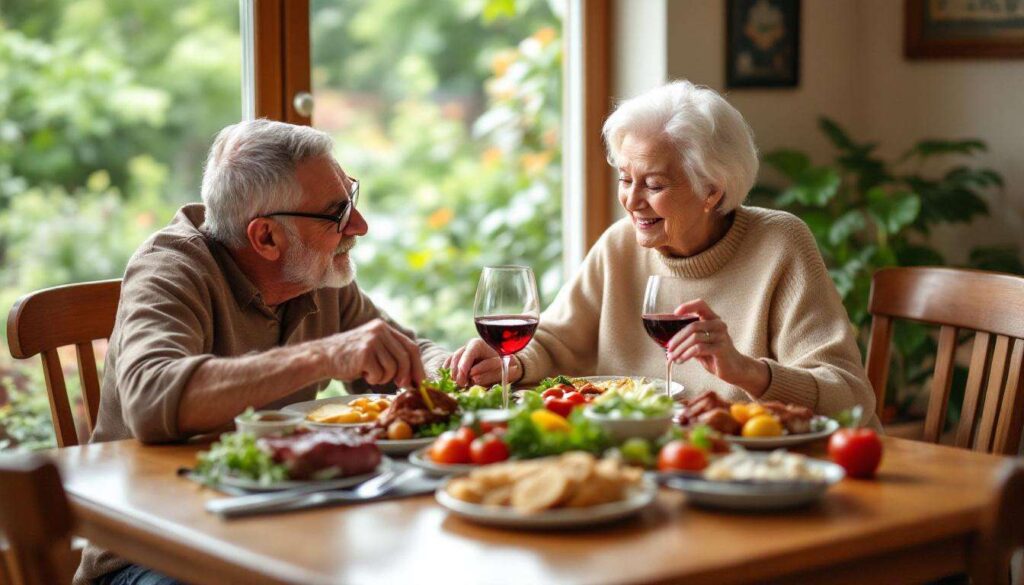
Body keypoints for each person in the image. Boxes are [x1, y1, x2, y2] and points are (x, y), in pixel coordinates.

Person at [78, 119, 447, 585]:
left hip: (276, 526)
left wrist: (451, 368)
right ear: (266, 237)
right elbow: (152, 400)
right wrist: (327, 355)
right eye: (336, 212)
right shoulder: (170, 268)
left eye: (350, 198)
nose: (359, 225)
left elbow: (400, 354)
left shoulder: (314, 270)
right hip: (154, 554)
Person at [446, 80, 880, 428]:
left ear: (712, 189)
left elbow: (851, 397)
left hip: (753, 474)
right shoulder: (620, 246)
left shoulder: (780, 244)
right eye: (624, 178)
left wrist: (748, 372)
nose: (632, 201)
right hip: (651, 468)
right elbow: (557, 341)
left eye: (653, 185)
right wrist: (509, 363)